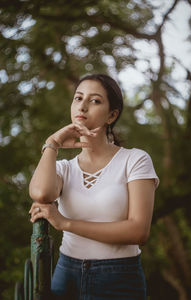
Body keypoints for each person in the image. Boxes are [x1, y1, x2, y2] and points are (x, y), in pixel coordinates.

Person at [29, 73, 159, 300]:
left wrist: (65, 223)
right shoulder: (63, 168)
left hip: (119, 279)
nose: (83, 106)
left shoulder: (135, 160)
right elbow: (41, 194)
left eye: (95, 100)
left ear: (112, 115)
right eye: (78, 98)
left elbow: (139, 231)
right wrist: (53, 143)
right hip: (66, 276)